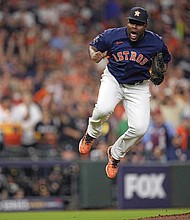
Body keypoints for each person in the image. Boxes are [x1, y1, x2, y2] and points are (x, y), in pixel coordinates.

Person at [79, 7, 171, 178]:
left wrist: (160, 70)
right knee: (103, 110)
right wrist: (93, 55)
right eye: (132, 22)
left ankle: (115, 154)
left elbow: (164, 61)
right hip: (113, 79)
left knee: (140, 128)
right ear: (127, 22)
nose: (134, 27)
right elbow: (93, 46)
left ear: (146, 26)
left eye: (139, 24)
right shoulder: (112, 35)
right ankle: (91, 134)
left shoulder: (155, 42)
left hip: (138, 86)